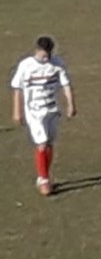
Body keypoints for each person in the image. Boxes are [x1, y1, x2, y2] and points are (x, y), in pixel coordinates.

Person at [10, 36, 75, 197]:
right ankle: (44, 179)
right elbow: (17, 88)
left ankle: (44, 174)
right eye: (44, 55)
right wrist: (17, 111)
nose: (46, 59)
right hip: (34, 111)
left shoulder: (57, 64)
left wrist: (71, 104)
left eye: (49, 55)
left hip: (52, 109)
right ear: (37, 51)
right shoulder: (26, 65)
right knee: (42, 143)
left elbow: (65, 84)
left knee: (49, 144)